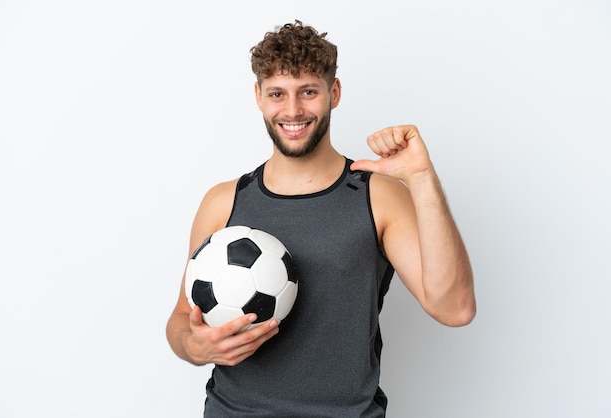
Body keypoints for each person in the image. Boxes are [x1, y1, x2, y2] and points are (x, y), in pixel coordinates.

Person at [166, 20, 476, 417]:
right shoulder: (223, 201)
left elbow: (455, 308)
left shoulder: (377, 195)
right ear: (259, 96)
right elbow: (180, 320)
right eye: (278, 93)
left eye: (308, 92)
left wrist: (422, 179)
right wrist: (193, 347)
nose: (292, 110)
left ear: (335, 92)